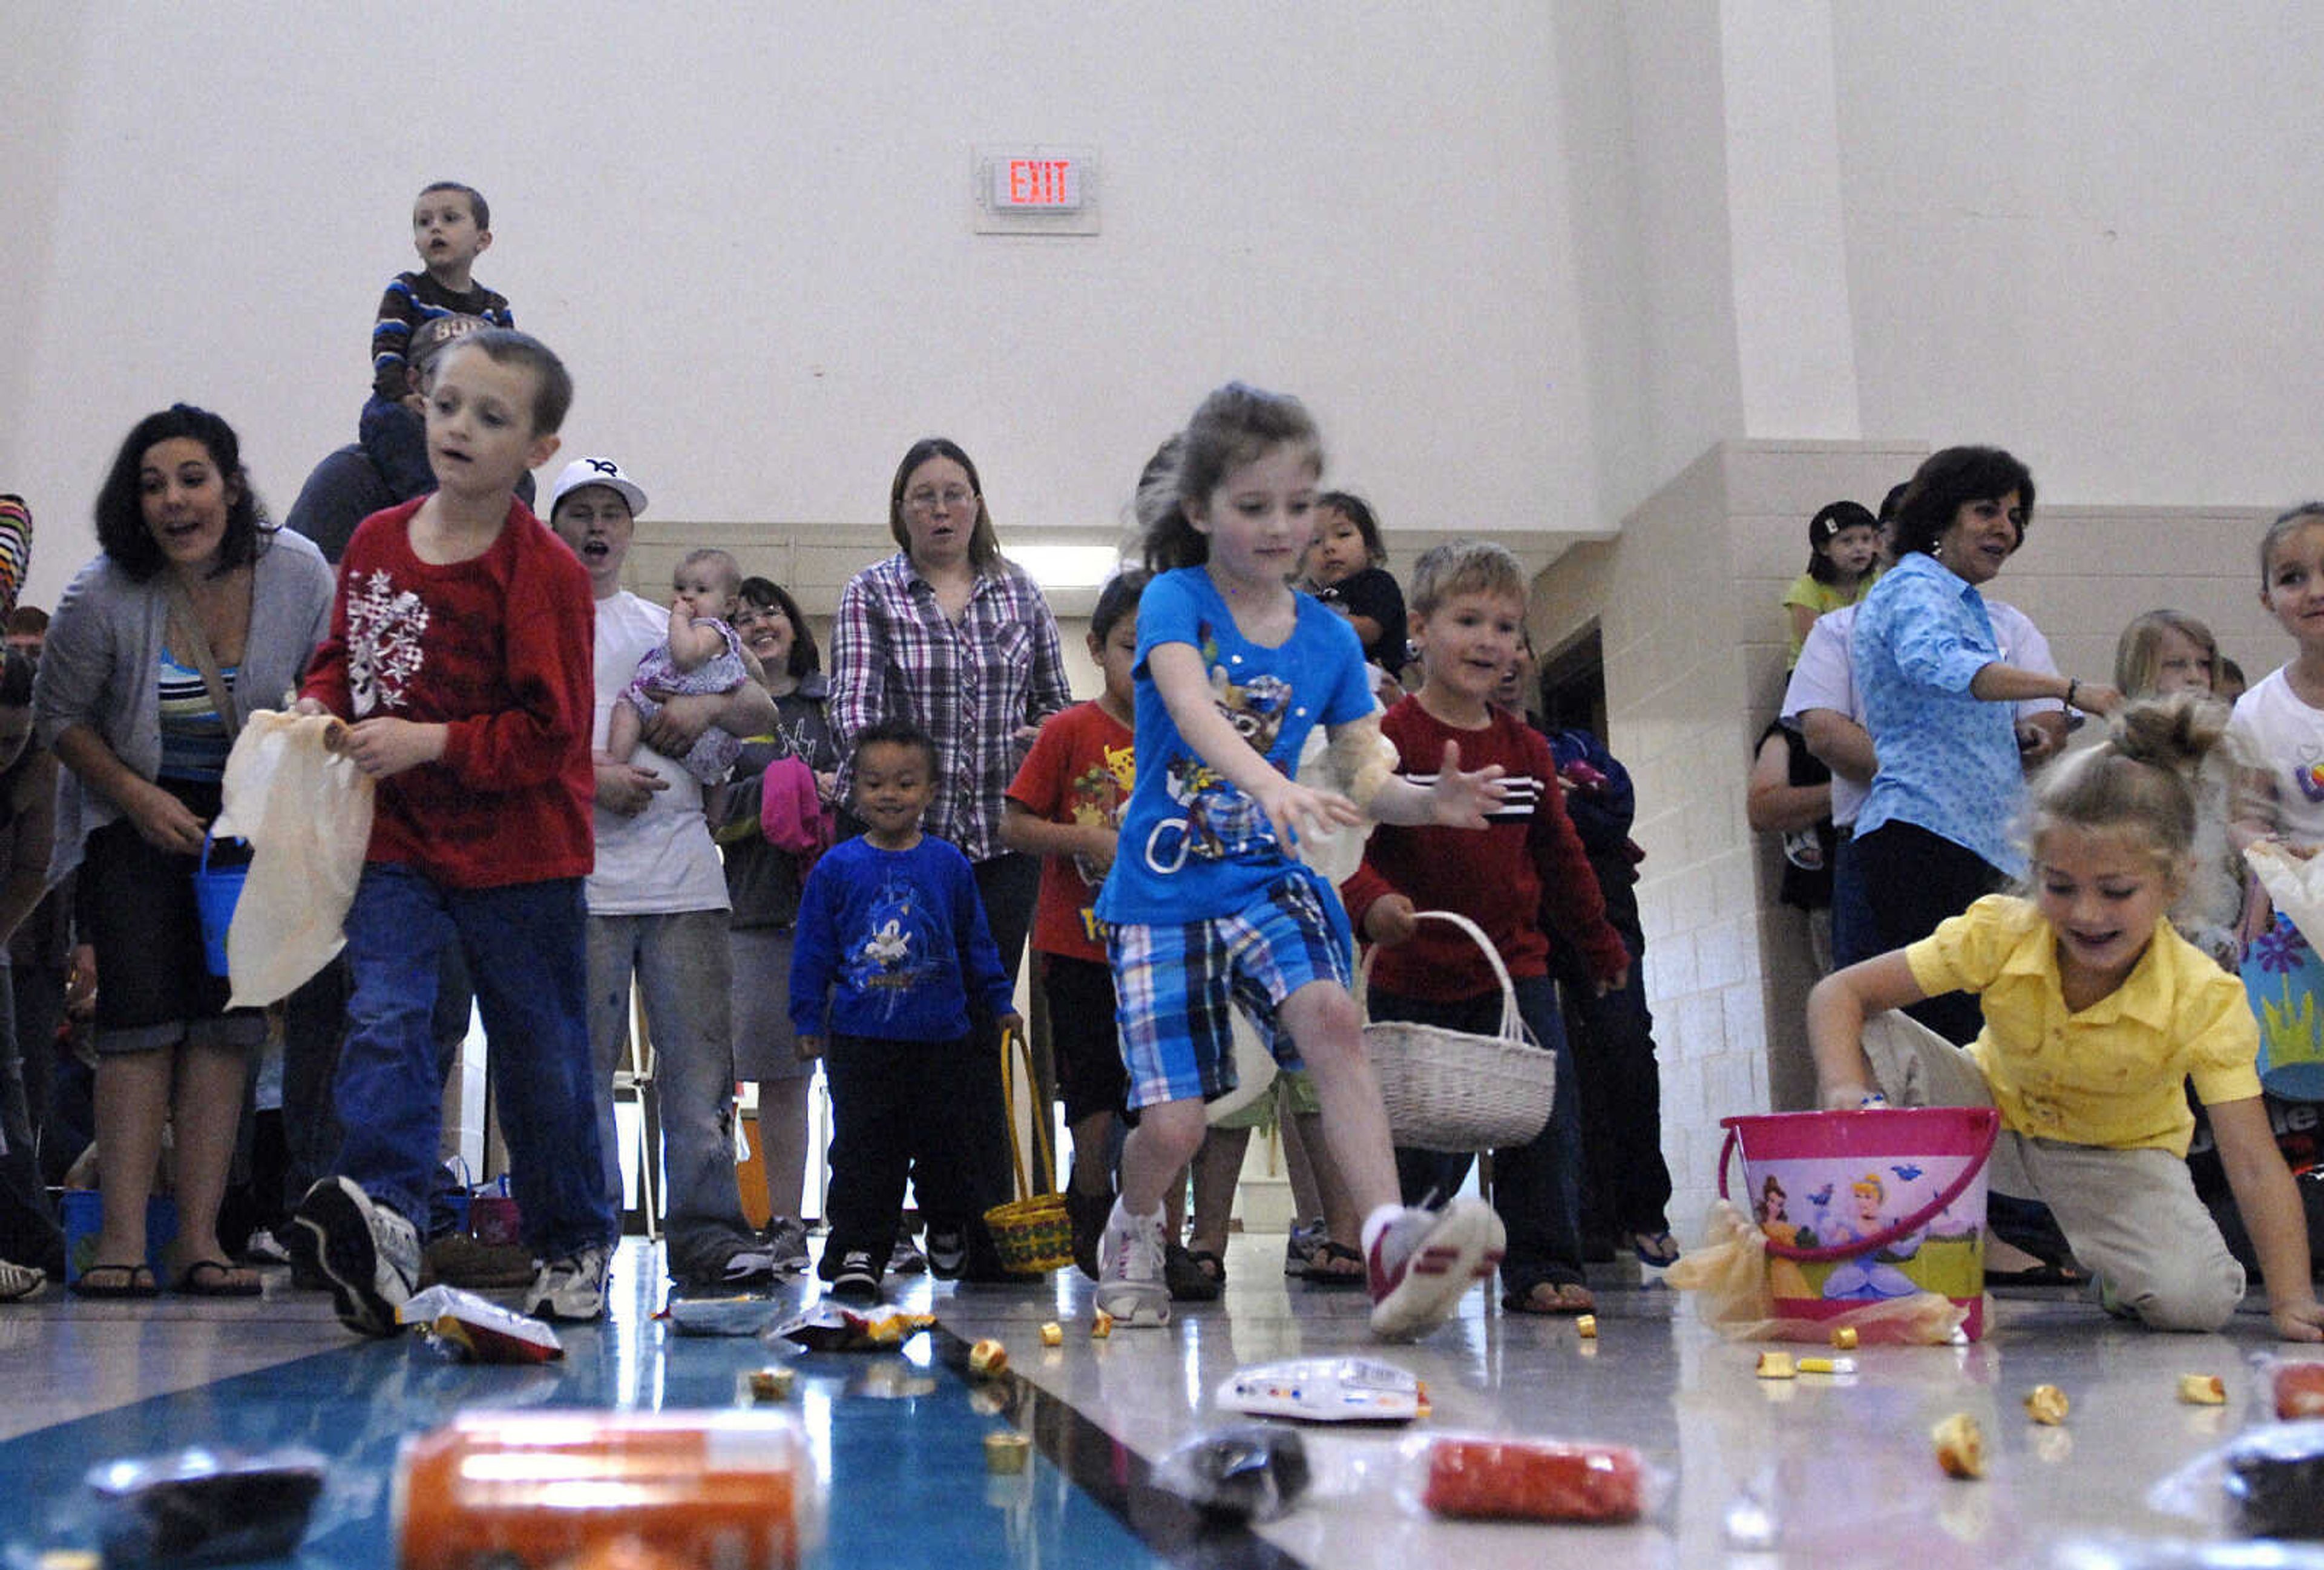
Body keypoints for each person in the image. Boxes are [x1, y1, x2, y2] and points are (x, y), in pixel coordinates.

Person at [1091, 382, 1511, 1338]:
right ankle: (1136, 1220)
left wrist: (1425, 804)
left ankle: (1388, 1242)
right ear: (1200, 513)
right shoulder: (1177, 600)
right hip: (1160, 893)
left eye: (1299, 505)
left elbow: (1366, 770)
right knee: (1177, 1126)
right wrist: (1268, 782)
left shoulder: (1326, 636)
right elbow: (1193, 709)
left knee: (1332, 1019)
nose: (1282, 527)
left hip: (1267, 878)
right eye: (1252, 507)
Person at [1811, 695, 2324, 1341]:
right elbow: (1838, 995)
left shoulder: (2204, 994)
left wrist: (2291, 1297)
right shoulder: (2002, 930)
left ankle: (2110, 1267)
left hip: (2117, 1159)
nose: (2085, 912)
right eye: (2060, 885)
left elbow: (2252, 1160)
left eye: (2115, 891)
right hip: (1986, 1122)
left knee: (2197, 1302)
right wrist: (1845, 1096)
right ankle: (1883, 1254)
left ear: (2173, 883)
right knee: (1870, 1030)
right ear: (2035, 873)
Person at [292, 329, 615, 1334]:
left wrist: (430, 739)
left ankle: (573, 1234)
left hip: (523, 854)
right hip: (400, 844)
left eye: (491, 416)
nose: (460, 429)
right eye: (447, 406)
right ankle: (386, 1214)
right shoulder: (379, 539)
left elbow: (550, 733)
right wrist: (316, 704)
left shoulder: (544, 570)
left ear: (539, 446)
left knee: (539, 1052)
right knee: (387, 1015)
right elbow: (340, 652)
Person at [36, 404, 334, 1299]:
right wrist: (135, 794)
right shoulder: (103, 592)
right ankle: (124, 1239)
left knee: (227, 1030)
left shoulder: (299, 570)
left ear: (232, 486)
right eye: (153, 485)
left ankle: (200, 1241)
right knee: (135, 1032)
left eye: (193, 479)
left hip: (252, 824)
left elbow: (328, 673)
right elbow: (60, 719)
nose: (174, 501)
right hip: (134, 821)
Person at [1353, 541, 1630, 1316]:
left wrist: (1600, 941)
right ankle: (1408, 1257)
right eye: (1468, 620)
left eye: (1505, 627)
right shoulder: (1388, 739)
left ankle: (1542, 1258)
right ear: (1420, 628)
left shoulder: (1526, 750)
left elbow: (1562, 856)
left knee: (1545, 1114)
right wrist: (1373, 902)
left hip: (1515, 966)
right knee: (1416, 1124)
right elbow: (1347, 845)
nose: (1489, 641)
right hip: (1412, 971)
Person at [830, 438, 1069, 1275]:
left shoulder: (1021, 594)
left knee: (980, 1030)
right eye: (923, 495)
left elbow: (1057, 707)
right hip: (905, 858)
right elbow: (855, 716)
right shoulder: (871, 594)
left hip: (1001, 852)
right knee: (898, 1035)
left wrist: (1040, 737)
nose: (939, 509)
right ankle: (882, 1223)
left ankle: (985, 1225)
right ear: (900, 509)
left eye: (954, 493)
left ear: (977, 504)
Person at [545, 459, 780, 1293]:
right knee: (579, 1074)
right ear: (554, 524)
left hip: (685, 879)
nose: (598, 527)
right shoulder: (530, 624)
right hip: (577, 881)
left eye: (613, 512)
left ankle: (709, 1233)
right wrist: (590, 778)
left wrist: (702, 708)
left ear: (631, 532)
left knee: (700, 1076)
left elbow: (763, 713)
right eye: (581, 512)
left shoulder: (667, 623)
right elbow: (505, 744)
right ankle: (581, 1237)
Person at [1849, 445, 2121, 1042]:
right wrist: (2074, 690)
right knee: (1948, 1042)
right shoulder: (1915, 587)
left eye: (2015, 516)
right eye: (1987, 511)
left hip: (1966, 844)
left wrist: (2009, 734)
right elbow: (1941, 664)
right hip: (1925, 839)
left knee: (1982, 1040)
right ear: (1941, 517)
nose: (2006, 528)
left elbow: (1942, 698)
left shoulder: (1954, 598)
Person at [790, 720, 1022, 1302]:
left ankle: (947, 1225)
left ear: (931, 792)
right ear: (854, 791)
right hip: (861, 1041)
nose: (889, 795)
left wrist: (999, 1001)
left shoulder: (949, 865)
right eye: (874, 784)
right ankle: (860, 1248)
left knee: (948, 1143)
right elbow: (813, 948)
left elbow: (977, 944)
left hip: (942, 1039)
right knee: (865, 1147)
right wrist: (805, 1017)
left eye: (905, 783)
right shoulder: (836, 869)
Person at [1000, 568, 1145, 1279]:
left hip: (1166, 946)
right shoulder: (1068, 729)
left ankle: (1152, 1229)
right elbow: (1014, 823)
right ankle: (1089, 1190)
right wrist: (1083, 841)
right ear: (1096, 648)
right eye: (1129, 646)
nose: (1146, 665)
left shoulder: (1194, 738)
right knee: (1090, 1084)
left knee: (1162, 1092)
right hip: (1079, 942)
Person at [712, 576, 836, 1275]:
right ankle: (729, 1221)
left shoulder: (834, 705)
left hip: (830, 916)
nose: (759, 622)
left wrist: (829, 793)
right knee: (732, 1077)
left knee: (804, 1078)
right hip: (751, 908)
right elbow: (713, 810)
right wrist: (783, 795)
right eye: (742, 616)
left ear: (795, 621)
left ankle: (793, 1221)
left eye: (770, 610)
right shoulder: (726, 710)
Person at [359, 182, 514, 503]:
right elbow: (386, 349)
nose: (436, 228)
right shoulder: (407, 289)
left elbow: (514, 370)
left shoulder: (494, 308)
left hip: (471, 411)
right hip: (412, 404)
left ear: (483, 239)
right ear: (417, 243)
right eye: (424, 222)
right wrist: (402, 395)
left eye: (450, 218)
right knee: (390, 424)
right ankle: (428, 506)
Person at [2113, 610, 2240, 965]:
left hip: (2216, 919)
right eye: (2176, 665)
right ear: (2140, 671)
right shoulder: (2125, 759)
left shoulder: (2224, 753)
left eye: (2203, 665)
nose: (2195, 678)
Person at [0, 651, 63, 1293]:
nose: (3, 752)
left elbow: (32, 872)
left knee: (12, 1086)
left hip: (10, 926)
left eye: (12, 740)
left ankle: (28, 1235)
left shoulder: (40, 762)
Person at [603, 548, 757, 786]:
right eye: (680, 588)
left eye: (701, 590)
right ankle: (714, 816)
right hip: (695, 735)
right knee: (713, 782)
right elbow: (754, 667)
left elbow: (685, 657)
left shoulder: (709, 629)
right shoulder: (728, 639)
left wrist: (678, 620)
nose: (687, 597)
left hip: (692, 722)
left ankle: (615, 759)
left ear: (729, 606)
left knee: (629, 706)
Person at [1300, 491, 1410, 678]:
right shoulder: (1313, 598)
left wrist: (1308, 616)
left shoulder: (1377, 582)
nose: (1329, 547)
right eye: (1315, 541)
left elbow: (1368, 631)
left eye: (1343, 534)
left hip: (1374, 686)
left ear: (1370, 547)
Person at [1781, 500, 1880, 665]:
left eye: (1866, 539)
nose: (1859, 548)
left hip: (1863, 668)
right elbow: (1815, 644)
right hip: (1815, 669)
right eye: (1848, 541)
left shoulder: (1879, 582)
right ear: (1824, 548)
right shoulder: (1806, 588)